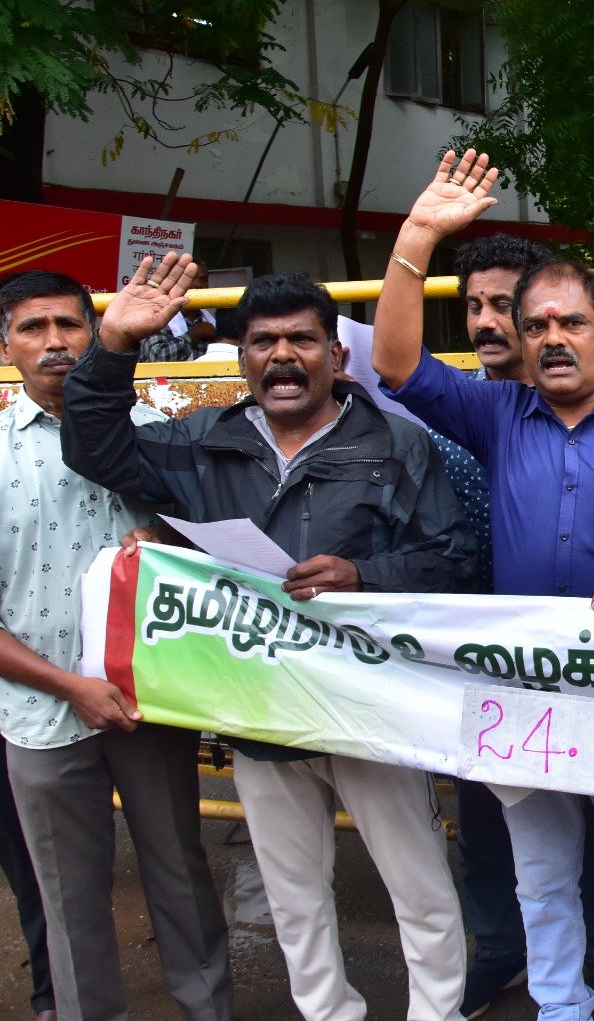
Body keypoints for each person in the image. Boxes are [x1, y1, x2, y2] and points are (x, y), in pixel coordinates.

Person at [60, 259, 476, 1021]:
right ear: (242, 357)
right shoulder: (204, 442)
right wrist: (113, 344)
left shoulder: (397, 445)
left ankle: (437, 1013)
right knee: (293, 899)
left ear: (336, 355)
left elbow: (454, 561)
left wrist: (364, 574)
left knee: (420, 889)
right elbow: (95, 451)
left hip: (372, 712)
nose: (283, 356)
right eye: (263, 342)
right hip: (258, 713)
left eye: (301, 340)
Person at [372, 148, 594, 1021]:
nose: (552, 338)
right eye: (535, 327)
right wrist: (418, 235)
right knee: (541, 879)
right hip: (522, 691)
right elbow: (395, 364)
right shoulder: (496, 413)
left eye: (572, 322)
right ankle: (560, 1009)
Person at [0, 269, 233, 1021]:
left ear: (96, 333)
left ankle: (209, 1011)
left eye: (69, 324)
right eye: (33, 328)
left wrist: (171, 544)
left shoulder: (156, 434)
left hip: (151, 698)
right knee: (67, 898)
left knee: (180, 871)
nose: (55, 343)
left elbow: (221, 554)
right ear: (6, 347)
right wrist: (70, 687)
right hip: (40, 713)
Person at [436, 232, 594, 1021]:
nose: (489, 322)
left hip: (589, 660)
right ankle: (500, 952)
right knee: (487, 822)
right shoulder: (454, 405)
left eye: (505, 304)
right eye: (475, 307)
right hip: (474, 660)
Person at [138, 262, 218, 361]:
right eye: (191, 279)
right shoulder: (156, 314)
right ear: (176, 283)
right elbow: (159, 357)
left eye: (203, 279)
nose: (198, 284)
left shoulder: (211, 322)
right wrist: (197, 333)